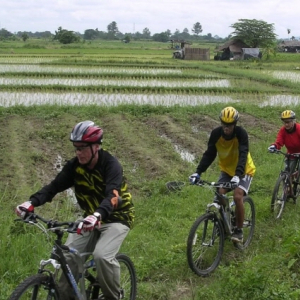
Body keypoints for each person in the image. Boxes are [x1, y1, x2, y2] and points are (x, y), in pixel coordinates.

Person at [15, 120, 135, 300]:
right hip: (90, 219)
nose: (78, 152)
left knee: (102, 256)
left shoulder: (111, 165)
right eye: (76, 148)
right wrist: (31, 202)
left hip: (117, 218)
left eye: (83, 148)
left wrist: (97, 215)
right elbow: (54, 187)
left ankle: (113, 297)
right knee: (68, 257)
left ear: (96, 147)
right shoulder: (75, 167)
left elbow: (113, 196)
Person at [189, 107, 256, 243]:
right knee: (220, 194)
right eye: (224, 124)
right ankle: (226, 224)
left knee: (238, 196)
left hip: (244, 170)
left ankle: (238, 230)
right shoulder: (216, 134)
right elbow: (209, 154)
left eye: (230, 125)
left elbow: (243, 153)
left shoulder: (241, 134)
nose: (226, 127)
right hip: (226, 170)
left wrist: (238, 175)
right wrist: (198, 172)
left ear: (234, 124)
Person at [268, 110, 300, 174]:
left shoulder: (299, 128)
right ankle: (287, 182)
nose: (286, 124)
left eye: (288, 122)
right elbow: (279, 142)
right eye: (284, 122)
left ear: (293, 121)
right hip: (291, 153)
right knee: (287, 173)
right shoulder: (283, 130)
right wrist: (274, 146)